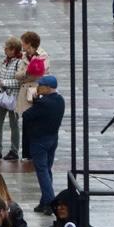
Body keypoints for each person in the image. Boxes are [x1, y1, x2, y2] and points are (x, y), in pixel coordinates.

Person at [23, 76, 65, 213]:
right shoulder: (60, 101)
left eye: (40, 86)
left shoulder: (43, 103)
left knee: (42, 171)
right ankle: (44, 202)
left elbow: (27, 115)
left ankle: (50, 202)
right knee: (47, 169)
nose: (38, 88)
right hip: (53, 139)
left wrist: (35, 101)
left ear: (47, 88)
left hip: (39, 141)